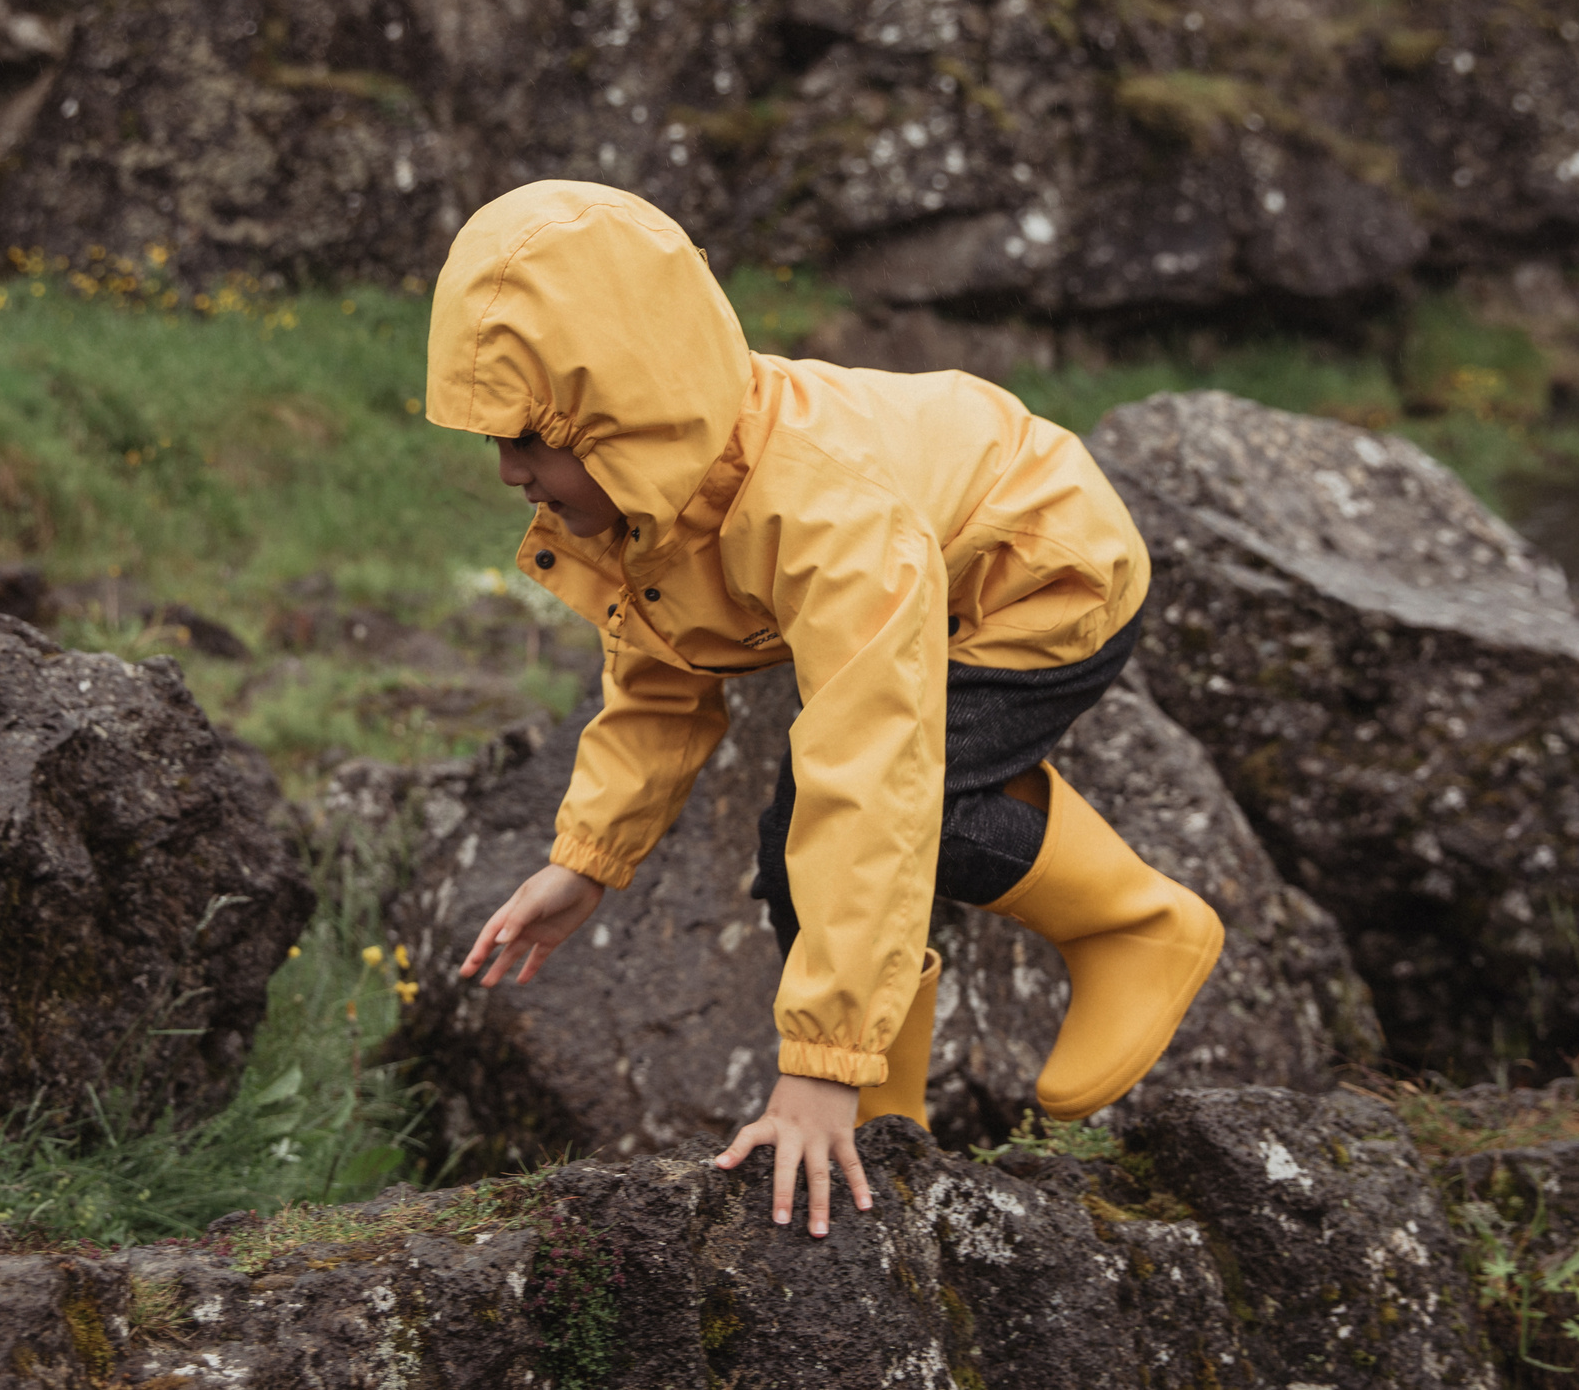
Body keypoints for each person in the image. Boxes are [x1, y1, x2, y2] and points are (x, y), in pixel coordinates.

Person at [434, 179, 1221, 1239]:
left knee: (860, 808)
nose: (506, 471)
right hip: (934, 569)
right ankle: (884, 1139)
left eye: (530, 436)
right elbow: (663, 680)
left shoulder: (820, 507)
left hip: (1042, 572)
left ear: (630, 407)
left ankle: (1135, 925)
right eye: (493, 438)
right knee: (808, 837)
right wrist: (586, 858)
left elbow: (872, 773)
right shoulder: (650, 497)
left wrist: (815, 1067)